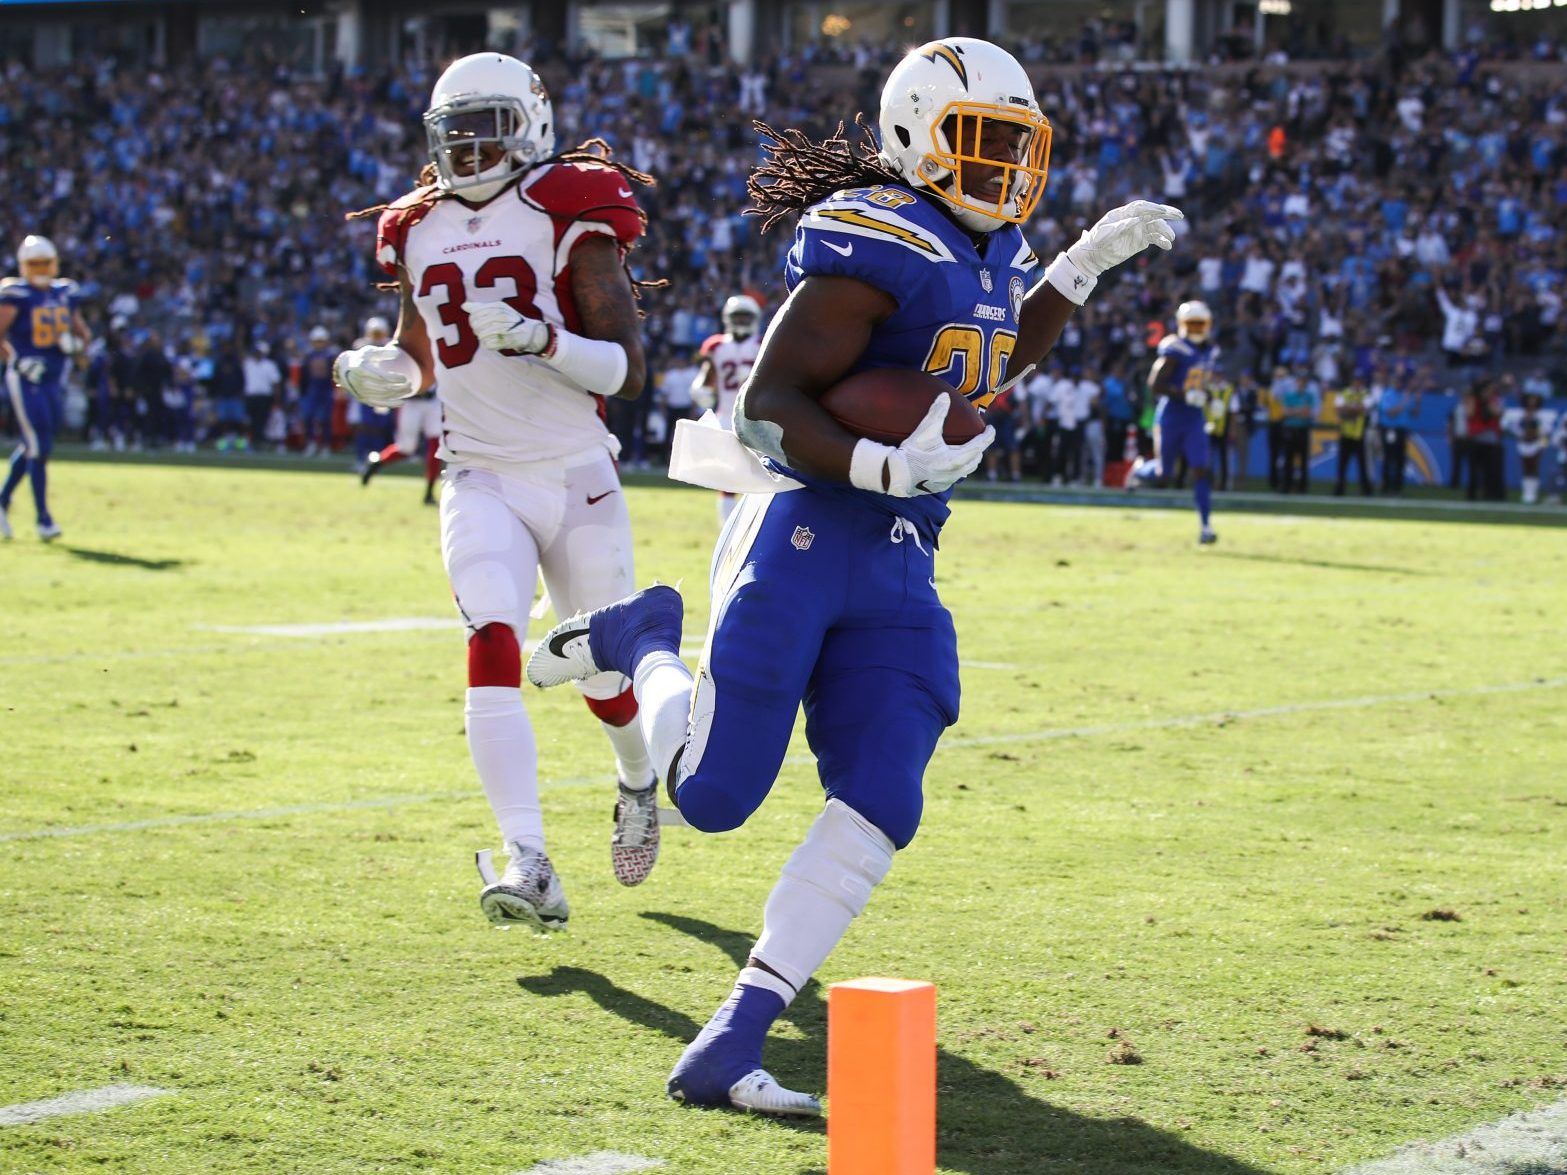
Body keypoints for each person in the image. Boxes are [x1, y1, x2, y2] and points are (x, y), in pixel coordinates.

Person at [525, 38, 1178, 1114]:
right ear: (917, 137)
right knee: (710, 797)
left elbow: (985, 358)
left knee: (885, 786)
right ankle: (640, 634)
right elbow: (765, 404)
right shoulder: (875, 242)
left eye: (1020, 145)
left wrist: (1075, 272)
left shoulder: (987, 247)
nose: (1006, 168)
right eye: (982, 142)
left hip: (899, 552)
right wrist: (881, 458)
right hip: (802, 526)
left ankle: (732, 1040)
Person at [334, 52, 664, 930]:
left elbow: (627, 372)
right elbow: (420, 352)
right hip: (477, 470)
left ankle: (636, 778)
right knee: (489, 639)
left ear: (530, 125)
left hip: (574, 470)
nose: (470, 146)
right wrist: (384, 375)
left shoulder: (569, 208)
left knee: (600, 672)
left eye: (488, 125)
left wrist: (537, 338)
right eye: (456, 130)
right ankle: (530, 859)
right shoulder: (416, 224)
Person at [0, 235, 90, 541]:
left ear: (54, 264)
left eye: (44, 263)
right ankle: (43, 519)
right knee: (39, 446)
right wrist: (16, 360)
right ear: (24, 266)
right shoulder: (15, 294)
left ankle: (1, 501)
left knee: (37, 444)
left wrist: (76, 345)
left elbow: (82, 335)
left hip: (54, 379)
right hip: (26, 378)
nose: (39, 269)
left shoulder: (65, 292)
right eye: (34, 263)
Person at [1129, 300, 1220, 543]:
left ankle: (1206, 526)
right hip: (1171, 416)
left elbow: (1200, 382)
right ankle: (1139, 469)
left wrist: (1210, 396)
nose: (1197, 329)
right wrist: (1183, 394)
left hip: (1194, 418)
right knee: (1163, 474)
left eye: (1201, 324)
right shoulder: (1174, 347)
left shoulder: (1209, 350)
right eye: (1193, 324)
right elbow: (1154, 384)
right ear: (1182, 324)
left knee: (1201, 468)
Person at [691, 294, 762, 524]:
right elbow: (707, 378)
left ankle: (752, 527)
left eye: (745, 316)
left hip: (757, 419)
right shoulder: (717, 346)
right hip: (726, 417)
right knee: (727, 479)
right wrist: (700, 389)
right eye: (737, 316)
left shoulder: (762, 344)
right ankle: (727, 531)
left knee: (758, 477)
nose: (741, 321)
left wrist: (753, 378)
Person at [298, 326, 336, 457]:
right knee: (308, 417)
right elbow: (303, 375)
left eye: (321, 340)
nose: (319, 343)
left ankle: (325, 445)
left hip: (326, 390)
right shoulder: (309, 355)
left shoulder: (330, 355)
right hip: (312, 390)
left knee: (326, 419)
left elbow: (335, 375)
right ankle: (311, 443)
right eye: (317, 341)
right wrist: (302, 391)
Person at [1333, 375, 1372, 496]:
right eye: (1356, 380)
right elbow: (1338, 409)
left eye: (1360, 381)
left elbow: (1364, 407)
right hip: (1345, 432)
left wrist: (1348, 408)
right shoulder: (1344, 393)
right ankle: (1339, 489)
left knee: (1362, 464)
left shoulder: (1366, 393)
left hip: (1359, 433)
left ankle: (1366, 490)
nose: (1357, 383)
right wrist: (1355, 408)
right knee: (1342, 464)